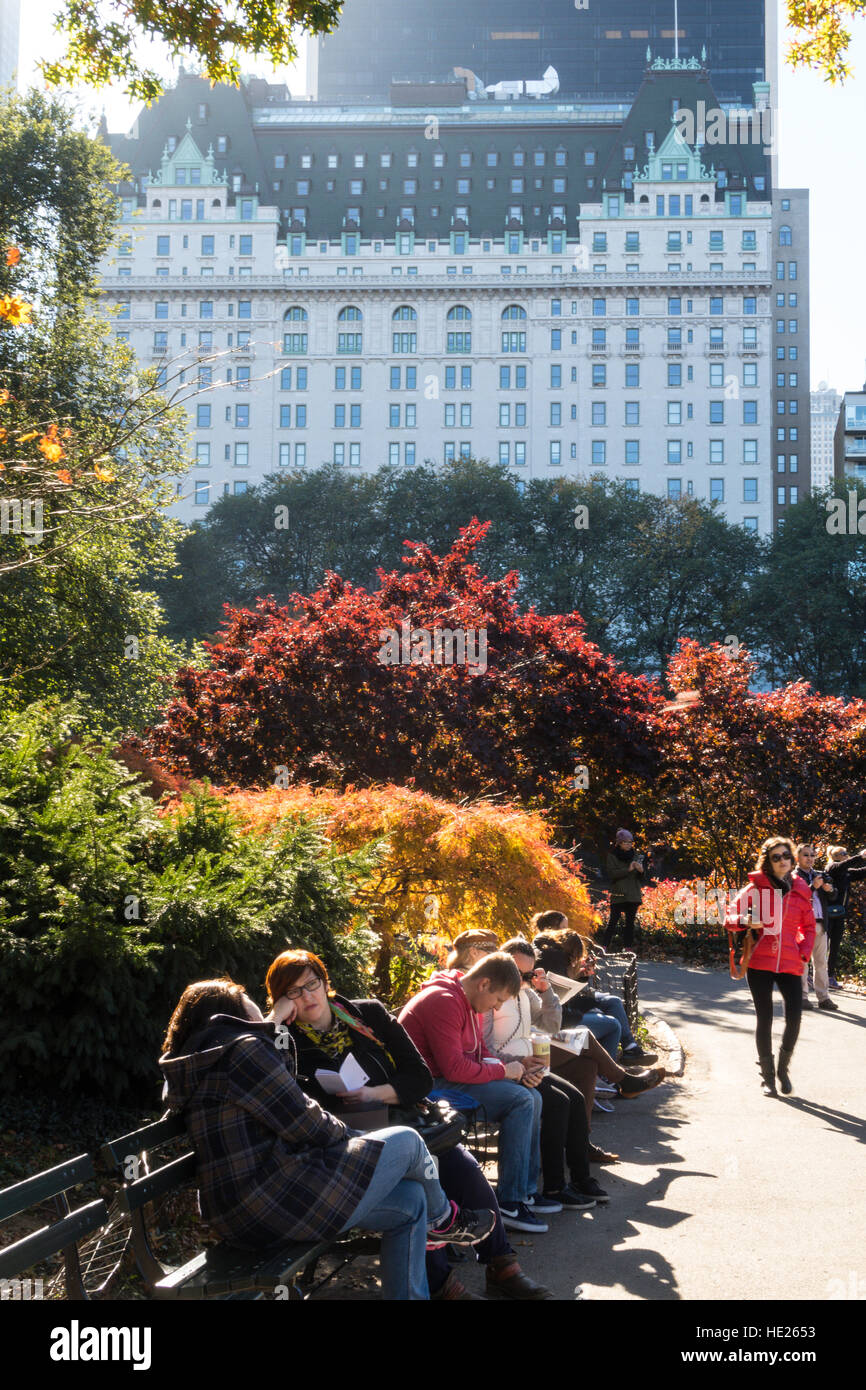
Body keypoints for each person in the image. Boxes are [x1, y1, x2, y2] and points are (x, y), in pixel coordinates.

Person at [159, 977, 494, 1301]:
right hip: (269, 1202)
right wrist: (358, 1140)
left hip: (244, 1209)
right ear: (233, 1015)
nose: (262, 1017)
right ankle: (444, 1221)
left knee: (410, 1201)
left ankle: (430, 1240)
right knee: (407, 1142)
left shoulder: (207, 1060)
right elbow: (304, 1122)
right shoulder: (242, 1052)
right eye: (254, 1010)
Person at [265, 948, 551, 1301]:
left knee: (462, 1167)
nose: (307, 996)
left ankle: (503, 1266)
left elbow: (420, 1077)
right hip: (345, 1140)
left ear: (326, 983)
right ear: (281, 999)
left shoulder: (366, 1015)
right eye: (293, 992)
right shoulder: (284, 1040)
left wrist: (378, 1094)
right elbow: (275, 1087)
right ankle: (444, 1285)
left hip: (402, 1119)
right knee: (418, 1183)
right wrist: (275, 1021)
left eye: (312, 984)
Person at [399, 952, 554, 1235]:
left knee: (533, 1096)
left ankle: (524, 1192)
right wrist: (506, 1072)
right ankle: (510, 1201)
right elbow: (455, 1068)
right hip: (427, 1086)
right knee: (520, 1100)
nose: (494, 1007)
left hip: (446, 1078)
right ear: (484, 984)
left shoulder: (467, 998)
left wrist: (512, 1066)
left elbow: (479, 1052)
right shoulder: (443, 1002)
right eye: (497, 1000)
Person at [483, 939, 609, 1210]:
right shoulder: (491, 995)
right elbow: (484, 1045)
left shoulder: (525, 993)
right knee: (558, 1103)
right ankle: (554, 1186)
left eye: (527, 974)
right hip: (509, 1067)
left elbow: (551, 1024)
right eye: (517, 972)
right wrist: (516, 1063)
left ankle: (580, 1178)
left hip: (530, 1065)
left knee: (573, 1097)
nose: (522, 979)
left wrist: (546, 992)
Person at [726, 837, 815, 1097]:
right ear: (768, 860)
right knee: (764, 1018)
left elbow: (808, 927)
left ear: (792, 858)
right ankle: (767, 1077)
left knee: (795, 1019)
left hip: (790, 961)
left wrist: (803, 953)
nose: (783, 861)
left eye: (786, 855)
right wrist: (745, 921)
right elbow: (730, 916)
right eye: (776, 857)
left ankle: (783, 1068)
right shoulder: (755, 888)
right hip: (760, 962)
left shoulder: (801, 889)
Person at [531, 913, 657, 1064]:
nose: (568, 930)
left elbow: (566, 985)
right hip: (560, 1012)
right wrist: (577, 974)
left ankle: (630, 1048)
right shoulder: (550, 953)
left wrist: (581, 973)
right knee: (612, 1024)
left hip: (566, 1003)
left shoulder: (555, 950)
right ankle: (607, 1074)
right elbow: (560, 994)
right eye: (564, 927)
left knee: (613, 1001)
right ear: (552, 929)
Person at [794, 844, 838, 1013]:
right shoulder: (794, 876)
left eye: (812, 855)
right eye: (806, 855)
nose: (810, 858)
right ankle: (802, 996)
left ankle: (823, 997)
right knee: (802, 962)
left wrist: (829, 889)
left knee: (821, 963)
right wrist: (813, 887)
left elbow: (834, 895)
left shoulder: (820, 874)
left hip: (820, 923)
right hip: (802, 925)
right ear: (798, 857)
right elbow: (796, 897)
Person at [823, 845, 866, 989]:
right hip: (826, 914)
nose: (847, 855)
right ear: (836, 857)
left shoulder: (847, 873)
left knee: (835, 946)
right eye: (844, 853)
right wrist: (860, 856)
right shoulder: (831, 868)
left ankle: (830, 976)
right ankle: (814, 974)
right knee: (823, 946)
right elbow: (843, 865)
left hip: (839, 914)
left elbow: (861, 871)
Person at [602, 830, 647, 952]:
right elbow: (612, 874)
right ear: (619, 843)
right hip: (619, 893)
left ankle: (628, 948)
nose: (628, 845)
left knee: (630, 923)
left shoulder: (636, 856)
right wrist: (628, 869)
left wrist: (641, 871)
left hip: (633, 894)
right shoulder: (612, 856)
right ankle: (604, 946)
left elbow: (641, 878)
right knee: (613, 921)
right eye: (625, 842)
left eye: (630, 842)